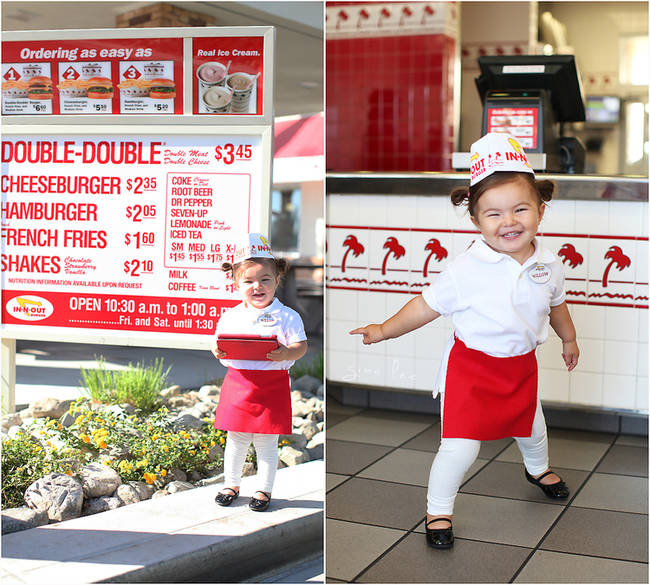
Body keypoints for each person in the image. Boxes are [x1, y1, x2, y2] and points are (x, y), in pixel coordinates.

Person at [350, 133, 579, 548]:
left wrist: (569, 339)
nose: (508, 222)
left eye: (520, 209)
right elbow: (424, 306)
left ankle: (537, 469)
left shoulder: (549, 263)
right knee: (460, 450)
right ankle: (438, 511)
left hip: (521, 366)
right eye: (493, 214)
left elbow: (557, 306)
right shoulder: (466, 269)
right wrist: (383, 329)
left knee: (532, 428)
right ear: (476, 220)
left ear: (540, 212)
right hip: (472, 371)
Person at [212, 233, 308, 511]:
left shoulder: (288, 316)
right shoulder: (230, 316)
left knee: (266, 442)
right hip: (238, 383)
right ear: (235, 283)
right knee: (236, 439)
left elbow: (301, 345)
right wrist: (217, 351)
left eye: (265, 279)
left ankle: (263, 490)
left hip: (272, 384)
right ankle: (231, 483)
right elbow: (219, 344)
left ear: (277, 280)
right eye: (249, 281)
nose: (258, 286)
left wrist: (288, 353)